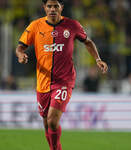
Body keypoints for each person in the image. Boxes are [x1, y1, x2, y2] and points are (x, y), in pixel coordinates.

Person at [16, 0, 108, 149]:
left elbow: (88, 42)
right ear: (44, 8)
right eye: (49, 6)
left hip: (64, 81)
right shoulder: (35, 26)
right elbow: (20, 47)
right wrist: (20, 55)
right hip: (43, 83)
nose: (52, 9)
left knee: (52, 120)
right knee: (46, 123)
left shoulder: (72, 25)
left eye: (56, 6)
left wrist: (98, 59)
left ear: (61, 8)